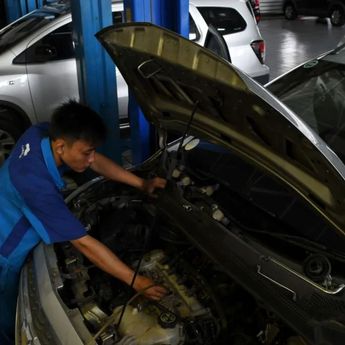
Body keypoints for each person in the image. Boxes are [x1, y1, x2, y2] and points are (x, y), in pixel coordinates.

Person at [0, 100, 167, 345]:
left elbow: (96, 161)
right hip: (5, 253)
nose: (90, 159)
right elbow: (84, 243)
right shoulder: (36, 185)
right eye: (86, 152)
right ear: (60, 147)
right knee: (11, 321)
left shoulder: (41, 133)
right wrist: (136, 280)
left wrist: (141, 184)